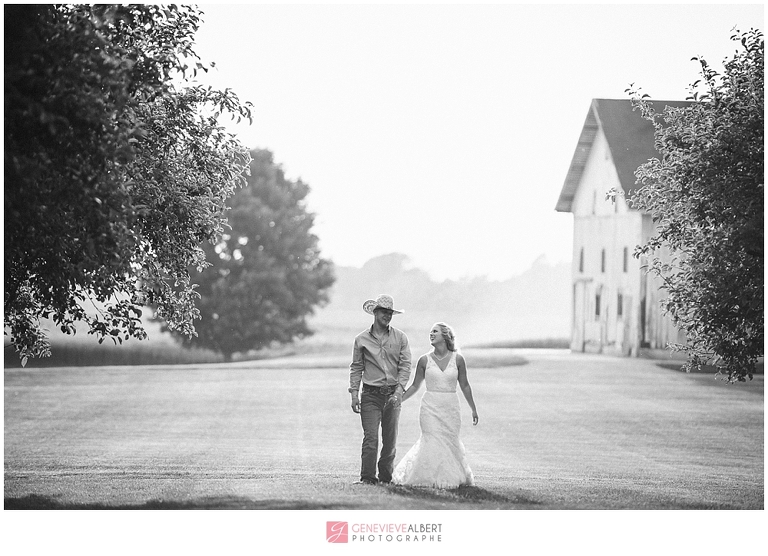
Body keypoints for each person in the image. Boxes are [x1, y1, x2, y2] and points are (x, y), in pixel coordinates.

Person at [392, 322, 478, 488]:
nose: (431, 334)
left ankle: (449, 477)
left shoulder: (458, 359)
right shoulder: (424, 360)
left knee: (449, 440)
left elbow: (465, 385)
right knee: (431, 438)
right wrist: (399, 399)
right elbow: (415, 385)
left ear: (445, 336)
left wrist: (473, 409)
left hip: (450, 407)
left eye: (435, 331)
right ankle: (428, 477)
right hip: (430, 407)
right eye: (431, 332)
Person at [349, 294, 412, 485]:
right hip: (370, 395)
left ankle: (385, 477)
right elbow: (357, 367)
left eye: (390, 312)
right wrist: (354, 394)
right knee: (371, 437)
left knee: (390, 440)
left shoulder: (400, 337)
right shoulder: (361, 339)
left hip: (393, 394)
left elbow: (405, 366)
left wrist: (399, 392)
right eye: (384, 312)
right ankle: (368, 477)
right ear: (375, 313)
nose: (387, 315)